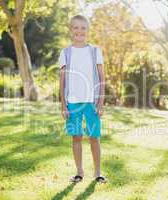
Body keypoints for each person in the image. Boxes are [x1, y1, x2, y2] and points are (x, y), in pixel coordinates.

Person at [58, 15, 107, 183]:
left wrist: (101, 102)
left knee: (94, 136)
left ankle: (98, 173)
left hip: (92, 102)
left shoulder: (95, 51)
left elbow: (101, 78)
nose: (79, 31)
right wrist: (63, 105)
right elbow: (62, 82)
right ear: (71, 31)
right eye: (76, 28)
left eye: (83, 28)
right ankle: (79, 172)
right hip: (72, 102)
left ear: (88, 30)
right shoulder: (65, 53)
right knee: (76, 137)